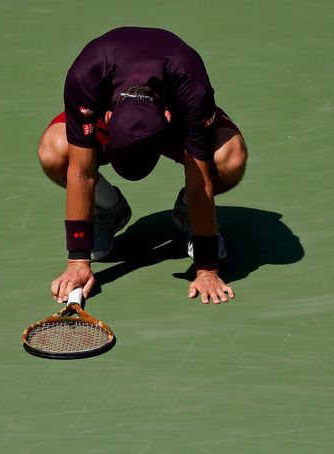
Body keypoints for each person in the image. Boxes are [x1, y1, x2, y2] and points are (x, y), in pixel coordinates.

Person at [37, 27, 248, 305]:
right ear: (108, 119)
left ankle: (188, 213)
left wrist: (207, 268)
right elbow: (82, 171)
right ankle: (109, 210)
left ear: (168, 117)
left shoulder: (190, 86)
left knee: (230, 156)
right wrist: (78, 259)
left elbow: (201, 179)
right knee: (54, 150)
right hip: (110, 95)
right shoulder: (85, 77)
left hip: (176, 107)